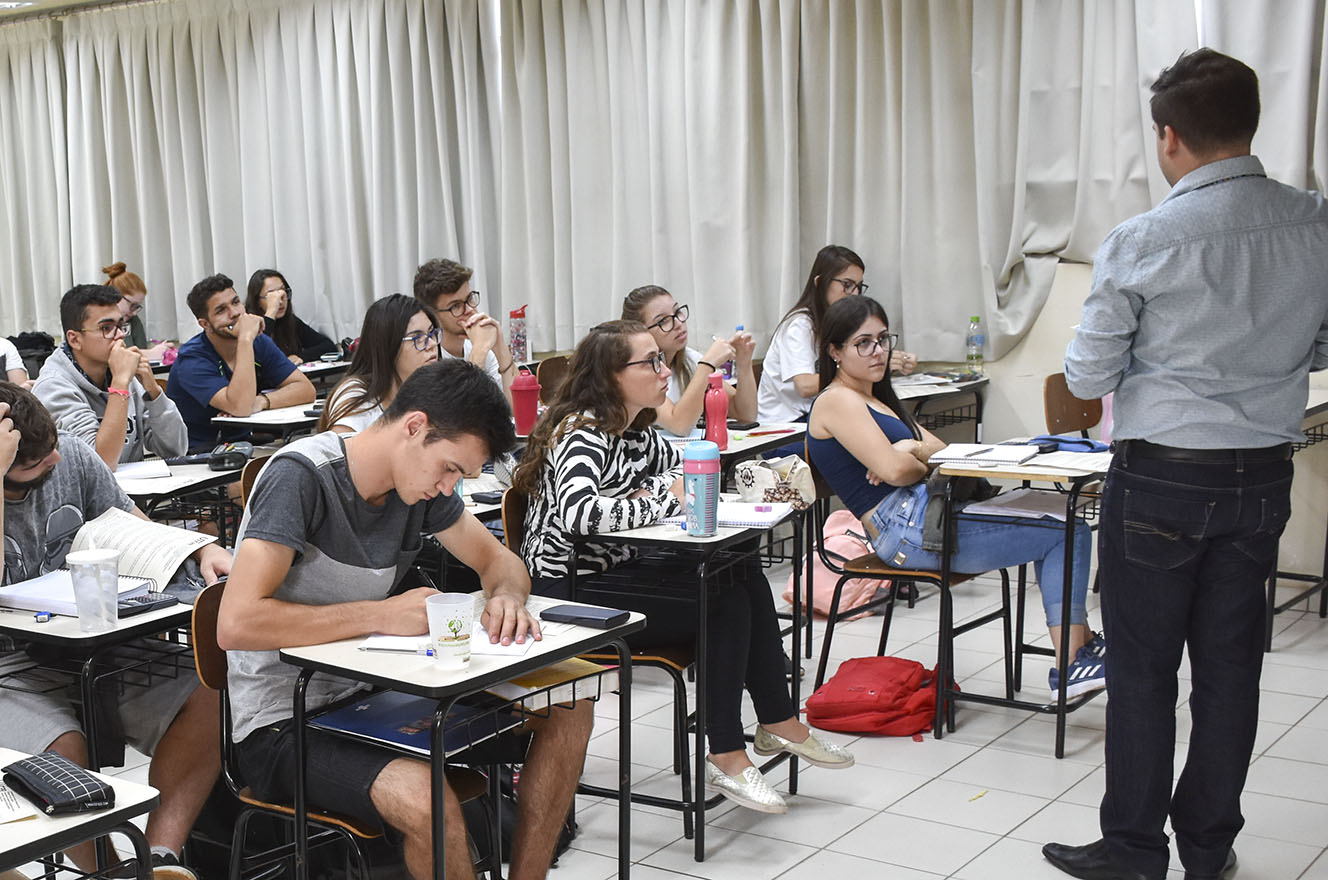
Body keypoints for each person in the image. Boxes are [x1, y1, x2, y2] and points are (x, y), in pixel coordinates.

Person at [1044, 49, 1328, 880]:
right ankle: (1209, 847)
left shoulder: (1142, 239)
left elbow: (1090, 376)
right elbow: (1319, 342)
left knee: (1142, 671)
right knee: (1232, 671)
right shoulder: (1313, 222)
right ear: (1251, 122)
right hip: (1261, 476)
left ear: (1169, 137)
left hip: (1162, 478)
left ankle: (1134, 850)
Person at [217, 360, 591, 880]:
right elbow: (235, 623)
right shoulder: (299, 477)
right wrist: (382, 615)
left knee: (569, 704)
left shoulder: (417, 489)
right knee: (426, 799)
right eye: (450, 468)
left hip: (377, 692)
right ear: (414, 427)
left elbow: (500, 561)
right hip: (284, 720)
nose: (448, 487)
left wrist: (507, 596)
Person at [514, 320, 853, 816]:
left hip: (617, 572)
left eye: (660, 359)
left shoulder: (634, 430)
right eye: (649, 362)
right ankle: (731, 750)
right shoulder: (582, 432)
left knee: (741, 569)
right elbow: (581, 514)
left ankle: (773, 723)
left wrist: (651, 493)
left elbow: (681, 467)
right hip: (569, 591)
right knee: (722, 597)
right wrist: (658, 500)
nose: (663, 370)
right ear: (612, 375)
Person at [806, 296, 1105, 696]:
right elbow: (898, 472)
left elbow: (942, 451)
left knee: (1063, 520)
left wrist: (910, 450)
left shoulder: (879, 398)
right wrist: (911, 458)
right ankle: (1071, 663)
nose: (879, 352)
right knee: (1066, 533)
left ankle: (1080, 651)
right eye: (864, 343)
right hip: (905, 532)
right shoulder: (836, 400)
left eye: (883, 339)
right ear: (835, 351)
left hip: (924, 514)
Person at [0, 382, 232, 880]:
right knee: (62, 750)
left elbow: (133, 525)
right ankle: (107, 873)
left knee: (211, 695)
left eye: (54, 446)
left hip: (99, 647)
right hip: (8, 670)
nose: (56, 461)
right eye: (32, 463)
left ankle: (156, 860)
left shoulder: (69, 456)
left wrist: (196, 549)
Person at [757, 244, 916, 426]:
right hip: (786, 425)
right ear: (820, 283)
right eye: (847, 285)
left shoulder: (839, 323)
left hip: (820, 413)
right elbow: (805, 386)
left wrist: (892, 361)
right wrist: (860, 369)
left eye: (859, 286)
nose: (854, 294)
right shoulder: (800, 325)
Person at [34, 284, 187, 470]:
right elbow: (100, 464)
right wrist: (120, 385)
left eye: (121, 326)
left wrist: (153, 392)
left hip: (132, 495)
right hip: (83, 499)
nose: (120, 335)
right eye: (106, 328)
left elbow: (176, 450)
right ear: (74, 339)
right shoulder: (53, 387)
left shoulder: (120, 370)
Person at [166, 273, 315, 451]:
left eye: (236, 302)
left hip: (242, 445)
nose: (235, 313)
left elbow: (306, 389)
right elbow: (241, 406)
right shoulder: (192, 359)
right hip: (199, 453)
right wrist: (245, 338)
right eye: (221, 310)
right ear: (205, 324)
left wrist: (262, 401)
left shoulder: (258, 341)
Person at [620, 285, 756, 434]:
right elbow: (680, 425)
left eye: (678, 312)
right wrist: (707, 364)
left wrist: (744, 363)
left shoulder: (689, 359)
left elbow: (745, 415)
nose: (678, 323)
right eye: (664, 320)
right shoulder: (638, 371)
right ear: (641, 332)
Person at [317, 294, 440, 434]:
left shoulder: (427, 388)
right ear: (388, 345)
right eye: (417, 338)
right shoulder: (355, 396)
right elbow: (340, 454)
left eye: (431, 333)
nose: (432, 343)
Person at [413, 258, 517, 404]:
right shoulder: (428, 358)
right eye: (455, 306)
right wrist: (479, 350)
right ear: (432, 315)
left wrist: (500, 347)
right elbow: (457, 415)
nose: (469, 310)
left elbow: (518, 408)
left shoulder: (477, 346)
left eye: (470, 299)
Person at [244, 268, 338, 365]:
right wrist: (271, 313)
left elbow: (328, 346)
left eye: (283, 293)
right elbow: (257, 352)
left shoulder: (289, 321)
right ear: (257, 301)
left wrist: (301, 356)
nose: (280, 301)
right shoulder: (247, 323)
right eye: (272, 297)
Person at [103, 261, 175, 361]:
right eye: (132, 305)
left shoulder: (133, 320)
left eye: (137, 307)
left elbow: (140, 353)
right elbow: (106, 356)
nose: (134, 312)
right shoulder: (98, 322)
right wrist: (150, 353)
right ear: (115, 297)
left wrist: (159, 351)